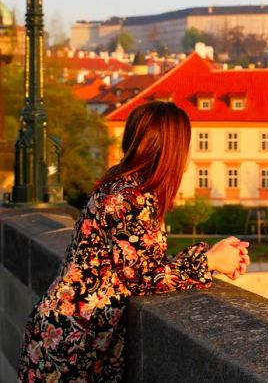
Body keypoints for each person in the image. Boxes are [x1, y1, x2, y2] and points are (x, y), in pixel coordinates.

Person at [17, 101, 250, 382]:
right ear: (170, 148)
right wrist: (210, 260)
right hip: (71, 348)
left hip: (66, 339)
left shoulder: (122, 186)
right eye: (187, 143)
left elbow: (137, 264)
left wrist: (213, 257)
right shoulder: (131, 198)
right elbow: (146, 277)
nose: (190, 155)